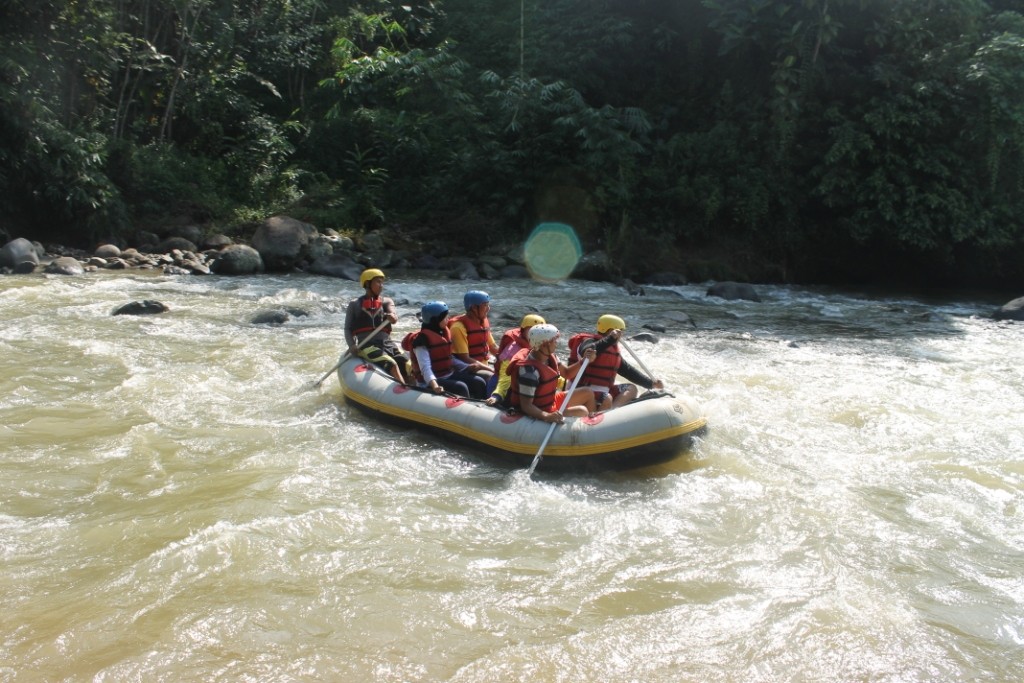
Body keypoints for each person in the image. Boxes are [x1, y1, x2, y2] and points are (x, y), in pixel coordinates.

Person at [568, 314, 664, 410]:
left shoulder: (612, 350)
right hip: (582, 391)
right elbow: (587, 350)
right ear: (611, 331)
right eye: (620, 331)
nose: (621, 335)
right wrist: (610, 339)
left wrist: (651, 384)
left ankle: (611, 412)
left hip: (603, 392)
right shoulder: (588, 341)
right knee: (607, 398)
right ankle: (600, 417)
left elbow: (629, 371)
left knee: (631, 388)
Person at [507, 324, 598, 422]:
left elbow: (567, 373)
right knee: (582, 411)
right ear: (544, 344)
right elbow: (526, 406)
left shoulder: (550, 356)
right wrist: (547, 416)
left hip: (550, 401)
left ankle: (593, 424)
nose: (556, 343)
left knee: (588, 393)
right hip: (541, 410)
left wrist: (583, 361)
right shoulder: (529, 372)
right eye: (554, 341)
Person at [404, 301, 488, 399]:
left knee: (479, 381)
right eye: (445, 317)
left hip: (448, 374)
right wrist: (434, 385)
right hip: (430, 381)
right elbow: (425, 368)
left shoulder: (443, 333)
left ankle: (482, 407)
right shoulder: (421, 341)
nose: (448, 320)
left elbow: (449, 358)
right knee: (461, 387)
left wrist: (467, 367)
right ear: (436, 320)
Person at [343, 268, 410, 384]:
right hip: (367, 345)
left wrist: (392, 316)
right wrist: (352, 345)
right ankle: (405, 388)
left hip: (387, 343)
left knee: (407, 363)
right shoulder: (354, 304)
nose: (381, 285)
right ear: (368, 284)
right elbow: (348, 328)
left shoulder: (386, 301)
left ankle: (418, 388)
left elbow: (393, 315)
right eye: (378, 282)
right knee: (391, 363)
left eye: (382, 282)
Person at [485, 313, 545, 407]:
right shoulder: (513, 350)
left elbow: (549, 371)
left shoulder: (543, 349)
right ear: (523, 331)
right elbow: (505, 377)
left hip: (525, 387)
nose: (534, 335)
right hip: (501, 386)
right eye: (531, 331)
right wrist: (497, 395)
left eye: (538, 332)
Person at [448, 290, 499, 386]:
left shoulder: (482, 322)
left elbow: (493, 347)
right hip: (467, 368)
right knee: (491, 377)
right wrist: (491, 369)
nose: (488, 309)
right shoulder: (458, 327)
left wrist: (510, 359)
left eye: (488, 305)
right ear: (474, 308)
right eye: (485, 305)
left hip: (483, 365)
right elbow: (465, 358)